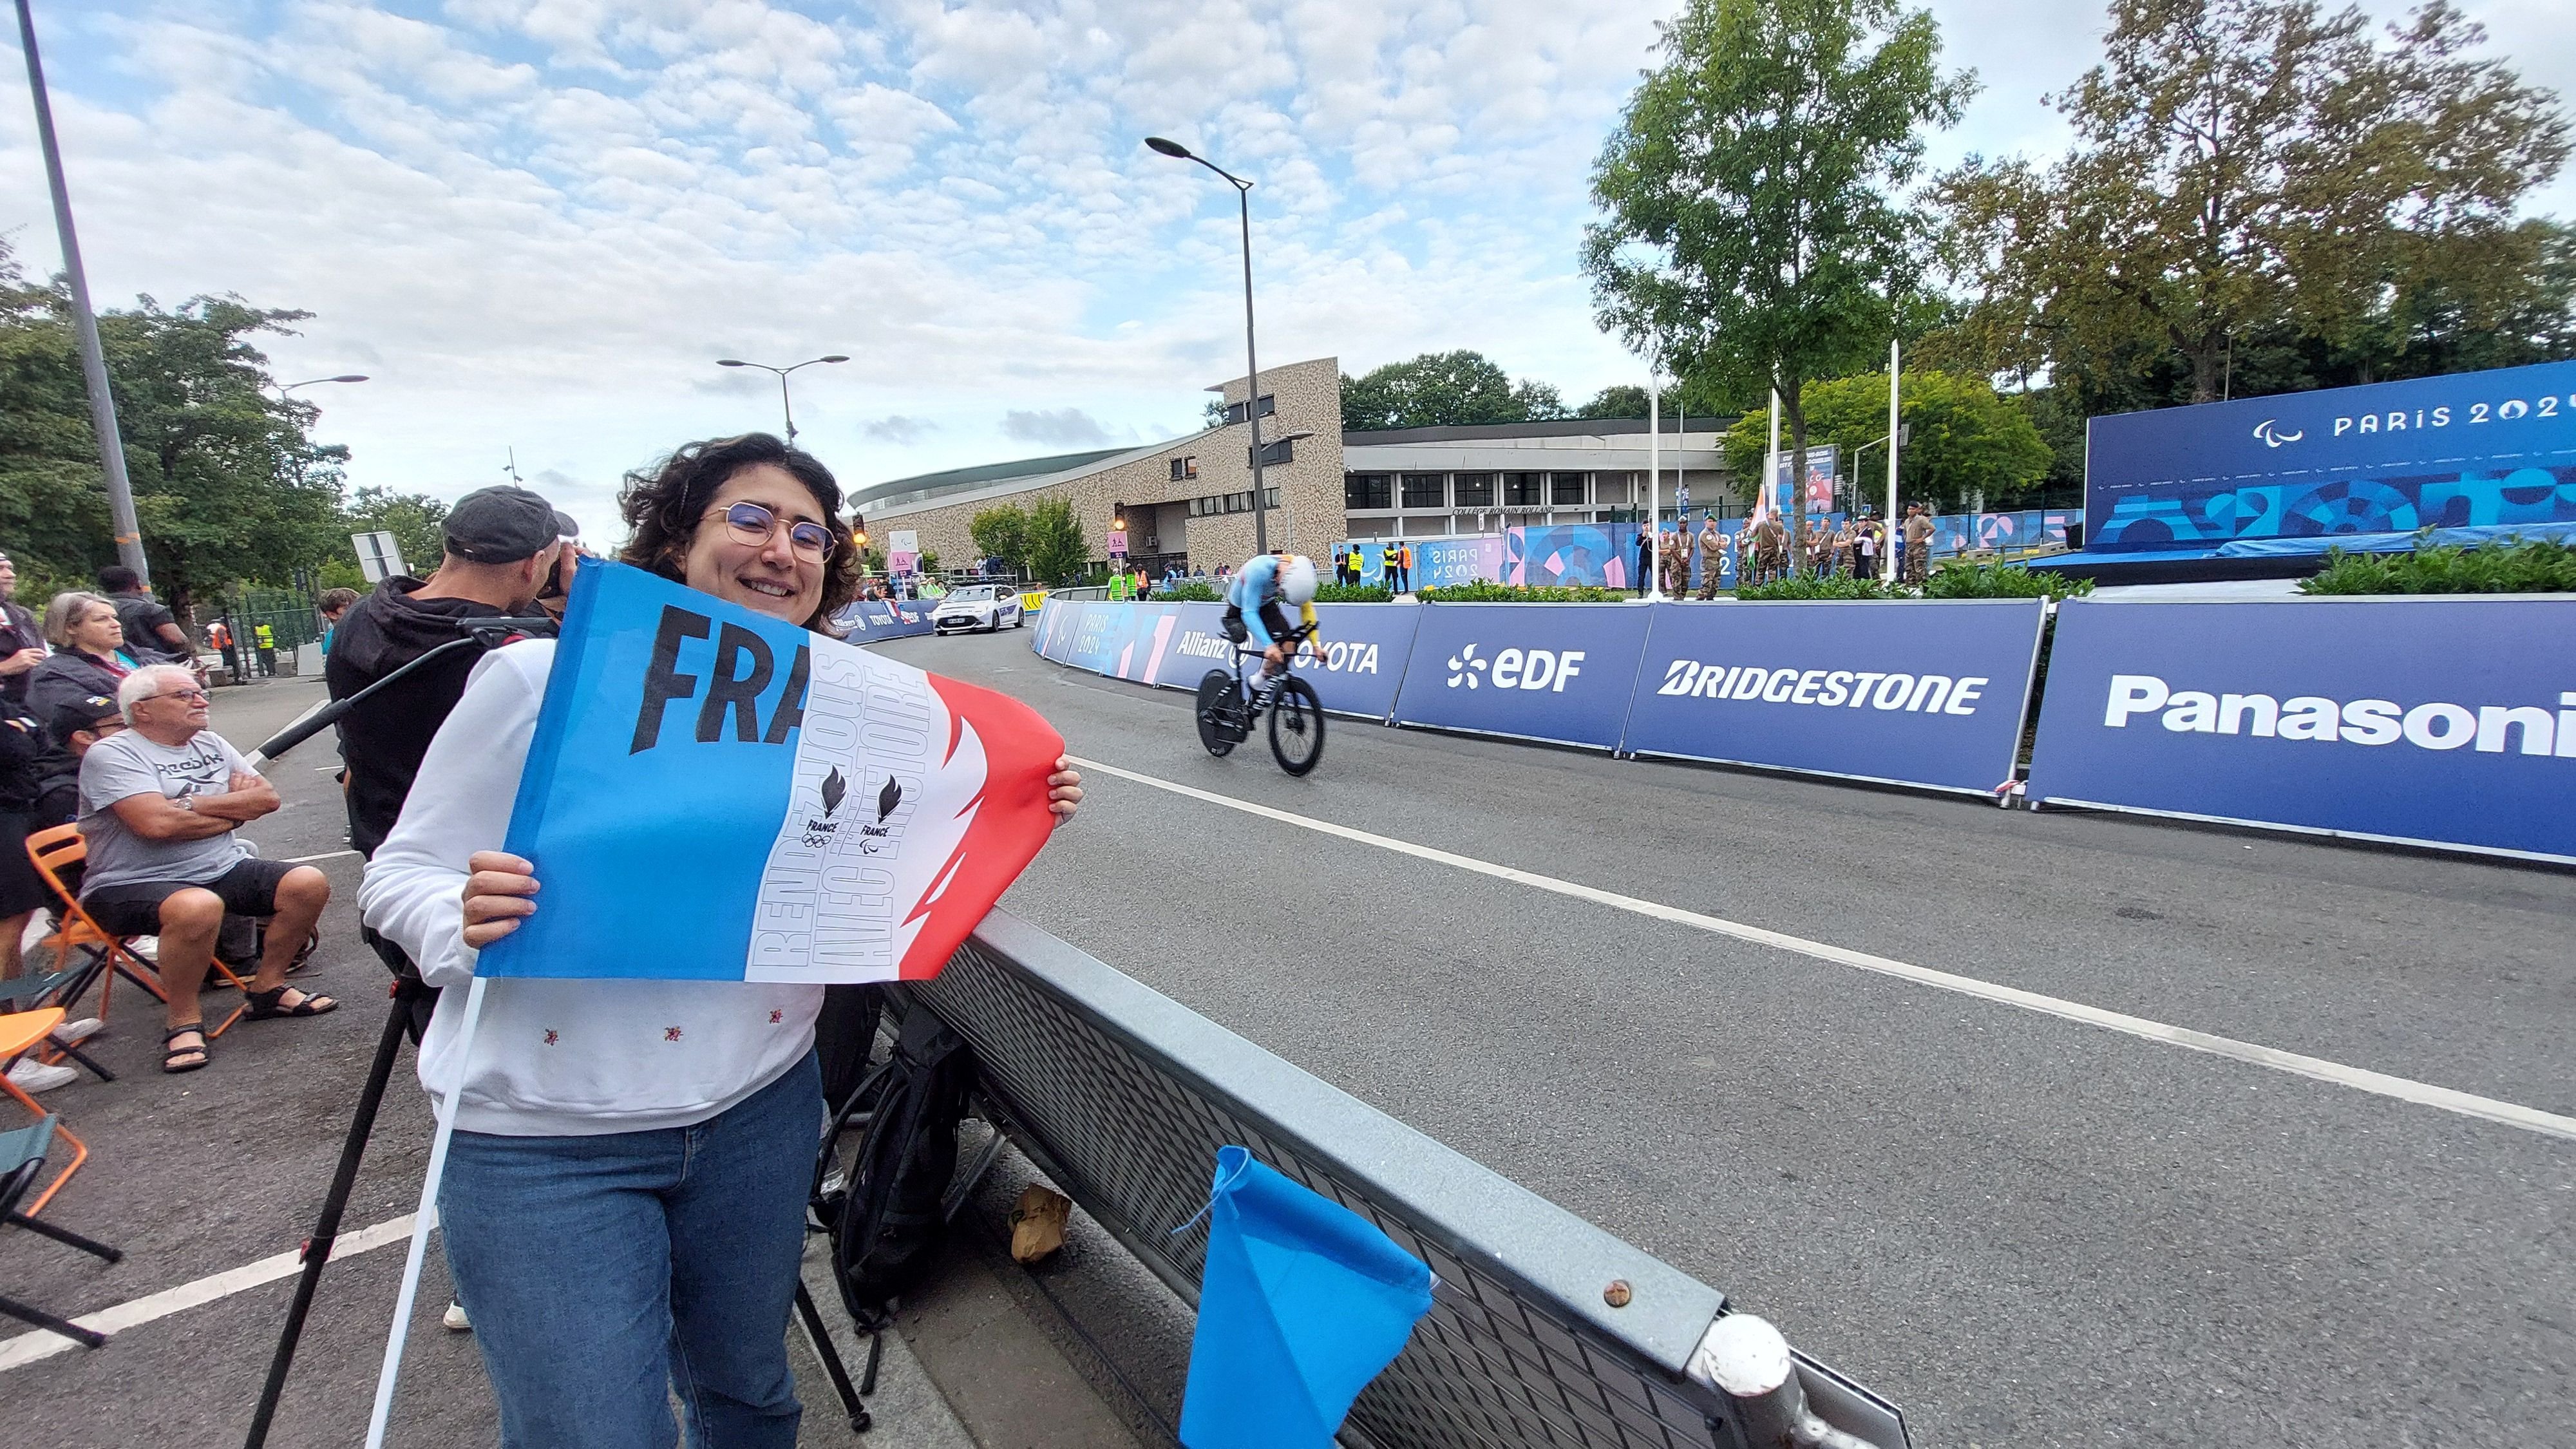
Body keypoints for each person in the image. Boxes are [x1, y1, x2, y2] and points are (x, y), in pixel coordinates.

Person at [359, 433, 1084, 1448]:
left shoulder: (845, 705)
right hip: (544, 1144)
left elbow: (892, 855)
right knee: (591, 1432)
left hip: (760, 1115)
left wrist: (1015, 798)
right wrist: (456, 920)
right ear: (675, 541)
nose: (780, 547)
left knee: (750, 1399)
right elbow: (398, 873)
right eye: (747, 518)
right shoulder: (540, 680)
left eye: (808, 534)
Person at [77, 664, 336, 1073]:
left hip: (219, 866)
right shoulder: (112, 754)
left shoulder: (210, 742)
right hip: (129, 882)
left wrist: (185, 806)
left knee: (307, 882)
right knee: (197, 906)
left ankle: (267, 987)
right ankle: (182, 1020)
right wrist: (232, 813)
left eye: (200, 693)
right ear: (141, 709)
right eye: (184, 695)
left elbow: (266, 800)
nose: (201, 700)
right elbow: (154, 825)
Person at [329, 488, 574, 860]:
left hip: (387, 861)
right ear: (533, 564)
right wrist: (574, 610)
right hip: (479, 872)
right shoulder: (507, 653)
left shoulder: (359, 620)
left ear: (450, 547)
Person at [28, 592, 149, 724]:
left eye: (114, 617)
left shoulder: (143, 655)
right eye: (101, 619)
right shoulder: (53, 673)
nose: (116, 624)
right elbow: (79, 712)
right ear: (71, 627)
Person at [1223, 551, 1323, 701]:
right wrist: (1269, 645)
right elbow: (1249, 612)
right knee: (1242, 635)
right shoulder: (1259, 570)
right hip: (1240, 608)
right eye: (1281, 589)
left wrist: (1316, 646)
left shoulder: (1296, 570)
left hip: (1266, 605)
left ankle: (1258, 681)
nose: (1279, 591)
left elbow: (1307, 608)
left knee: (1289, 645)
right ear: (1281, 575)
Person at [95, 565, 191, 659]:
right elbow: (178, 640)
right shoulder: (152, 610)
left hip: (115, 665)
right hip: (157, 665)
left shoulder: (96, 610)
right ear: (138, 586)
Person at [0, 553, 46, 706]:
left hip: (30, 709)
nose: (11, 575)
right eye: (1, 569)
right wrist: (4, 668)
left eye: (10, 568)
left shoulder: (22, 615)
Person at [316, 588, 359, 658]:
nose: (356, 610)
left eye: (358, 606)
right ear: (332, 615)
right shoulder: (336, 641)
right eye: (348, 608)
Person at [1696, 520, 1727, 600]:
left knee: (1715, 584)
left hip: (1717, 560)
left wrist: (1719, 544)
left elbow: (1725, 544)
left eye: (1714, 521)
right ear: (1705, 523)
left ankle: (1710, 601)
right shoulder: (1705, 534)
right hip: (1708, 561)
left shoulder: (1716, 534)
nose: (1712, 523)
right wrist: (1719, 544)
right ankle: (1698, 602)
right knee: (1707, 584)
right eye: (1710, 521)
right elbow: (1713, 547)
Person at [1904, 505, 1934, 584]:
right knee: (1909, 567)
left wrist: (1922, 538)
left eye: (1912, 509)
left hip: (1918, 546)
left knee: (1919, 566)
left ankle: (1922, 585)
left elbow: (1932, 529)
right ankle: (1911, 585)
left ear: (1917, 510)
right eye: (1909, 509)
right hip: (1909, 546)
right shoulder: (1907, 521)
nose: (1910, 511)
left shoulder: (1921, 520)